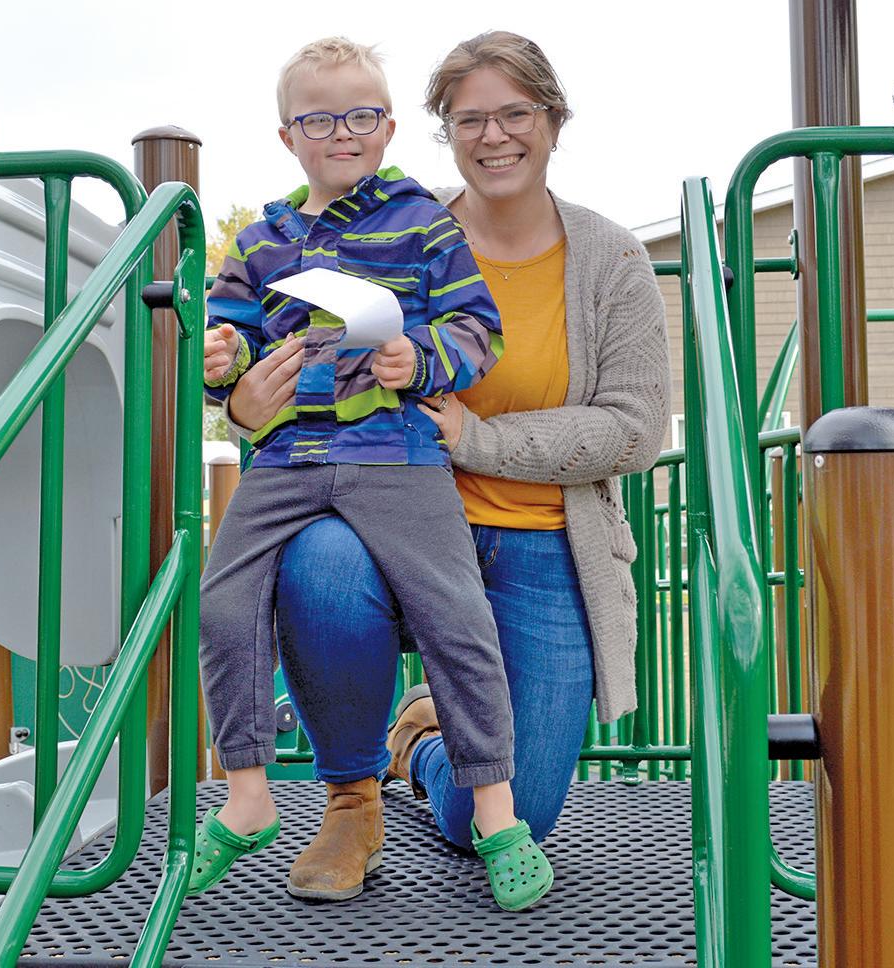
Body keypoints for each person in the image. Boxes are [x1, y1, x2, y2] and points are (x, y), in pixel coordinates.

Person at [223, 31, 670, 903]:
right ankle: (350, 799)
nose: (494, 136)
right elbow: (289, 343)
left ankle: (420, 743)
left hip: (541, 539)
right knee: (318, 562)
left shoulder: (611, 260)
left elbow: (634, 430)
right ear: (441, 131)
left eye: (516, 114)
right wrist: (241, 403)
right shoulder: (389, 223)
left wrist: (477, 439)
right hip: (392, 511)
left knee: (494, 819)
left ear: (553, 120)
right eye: (470, 120)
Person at [194, 36, 555, 913]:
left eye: (360, 116)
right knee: (222, 601)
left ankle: (497, 810)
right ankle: (247, 794)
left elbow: (477, 329)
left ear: (388, 127)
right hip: (288, 457)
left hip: (395, 454)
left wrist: (418, 357)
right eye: (318, 120)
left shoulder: (422, 222)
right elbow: (224, 335)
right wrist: (221, 363)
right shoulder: (262, 239)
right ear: (287, 137)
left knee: (455, 615)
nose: (341, 134)